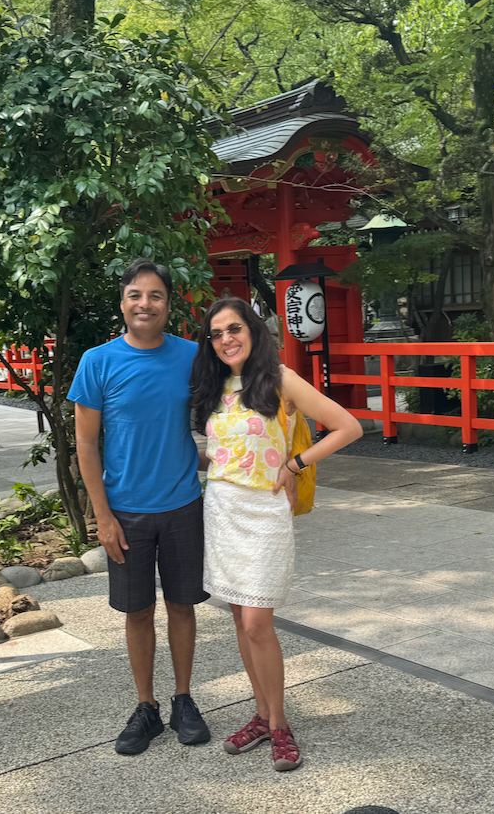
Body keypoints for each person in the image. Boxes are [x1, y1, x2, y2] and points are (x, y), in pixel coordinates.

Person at [189, 295, 362, 772]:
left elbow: (348, 426)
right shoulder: (215, 386)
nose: (226, 339)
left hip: (265, 512)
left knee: (257, 624)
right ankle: (261, 714)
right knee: (239, 621)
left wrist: (296, 462)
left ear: (253, 331)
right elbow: (219, 451)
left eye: (234, 329)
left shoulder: (280, 379)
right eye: (217, 333)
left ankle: (280, 723)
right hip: (221, 508)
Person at [69, 258, 210, 756]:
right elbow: (86, 445)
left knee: (182, 605)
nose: (145, 304)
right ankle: (146, 706)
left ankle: (184, 699)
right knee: (136, 611)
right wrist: (102, 516)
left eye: (155, 296)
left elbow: (227, 412)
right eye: (136, 295)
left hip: (182, 503)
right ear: (123, 302)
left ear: (169, 305)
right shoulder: (98, 361)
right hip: (125, 510)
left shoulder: (194, 357)